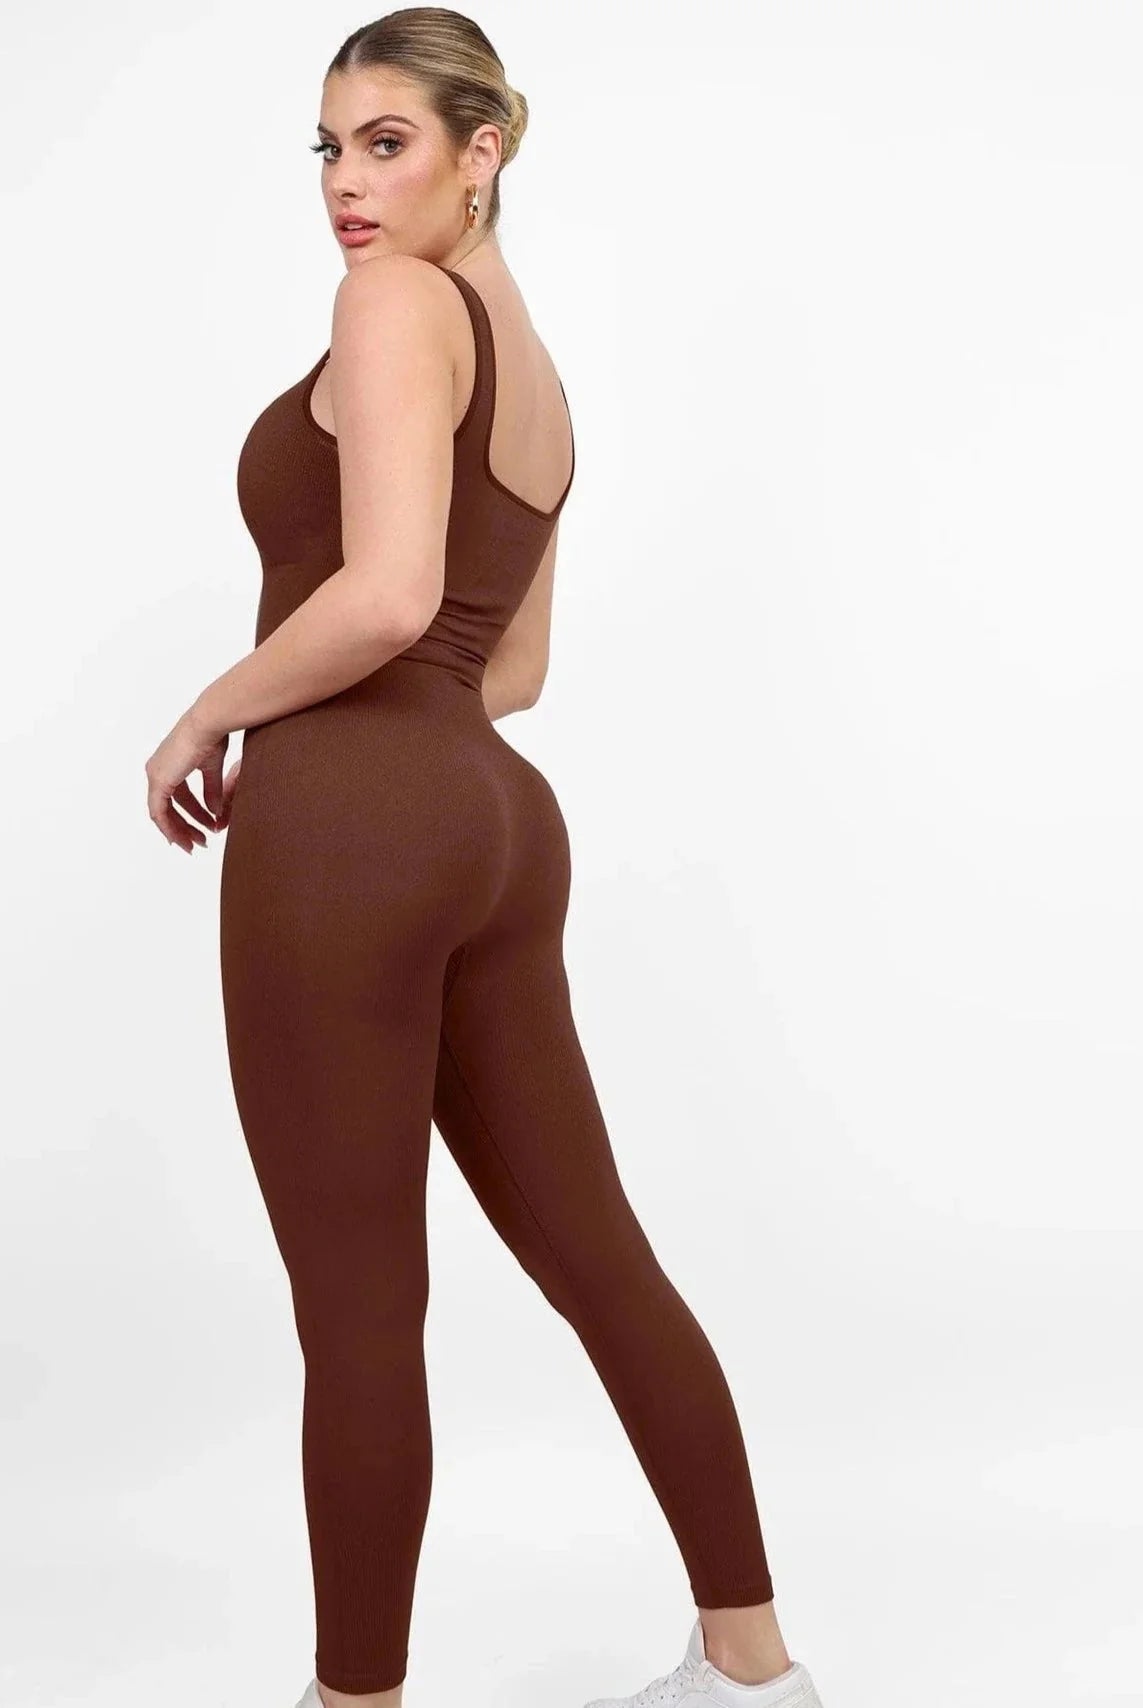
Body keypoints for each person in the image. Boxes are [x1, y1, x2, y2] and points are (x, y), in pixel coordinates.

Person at [145, 11, 827, 1708]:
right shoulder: (538, 374)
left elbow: (385, 599)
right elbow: (506, 667)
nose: (347, 185)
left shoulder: (394, 305)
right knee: (602, 1256)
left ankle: (353, 1702)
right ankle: (754, 1669)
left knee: (360, 1307)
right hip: (495, 821)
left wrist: (206, 712)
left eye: (387, 143)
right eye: (328, 148)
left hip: (352, 824)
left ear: (481, 151)